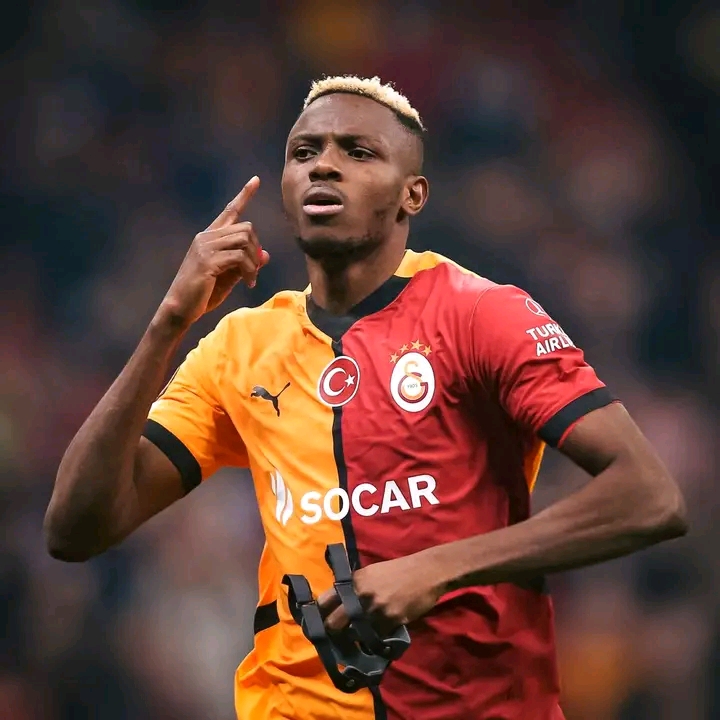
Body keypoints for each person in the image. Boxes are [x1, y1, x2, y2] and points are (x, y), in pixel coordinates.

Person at [44, 75, 688, 720]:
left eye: (358, 152)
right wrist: (168, 323)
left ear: (413, 194)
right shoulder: (238, 347)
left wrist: (435, 568)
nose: (323, 165)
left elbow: (649, 497)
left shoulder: (483, 315)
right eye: (304, 152)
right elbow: (76, 529)